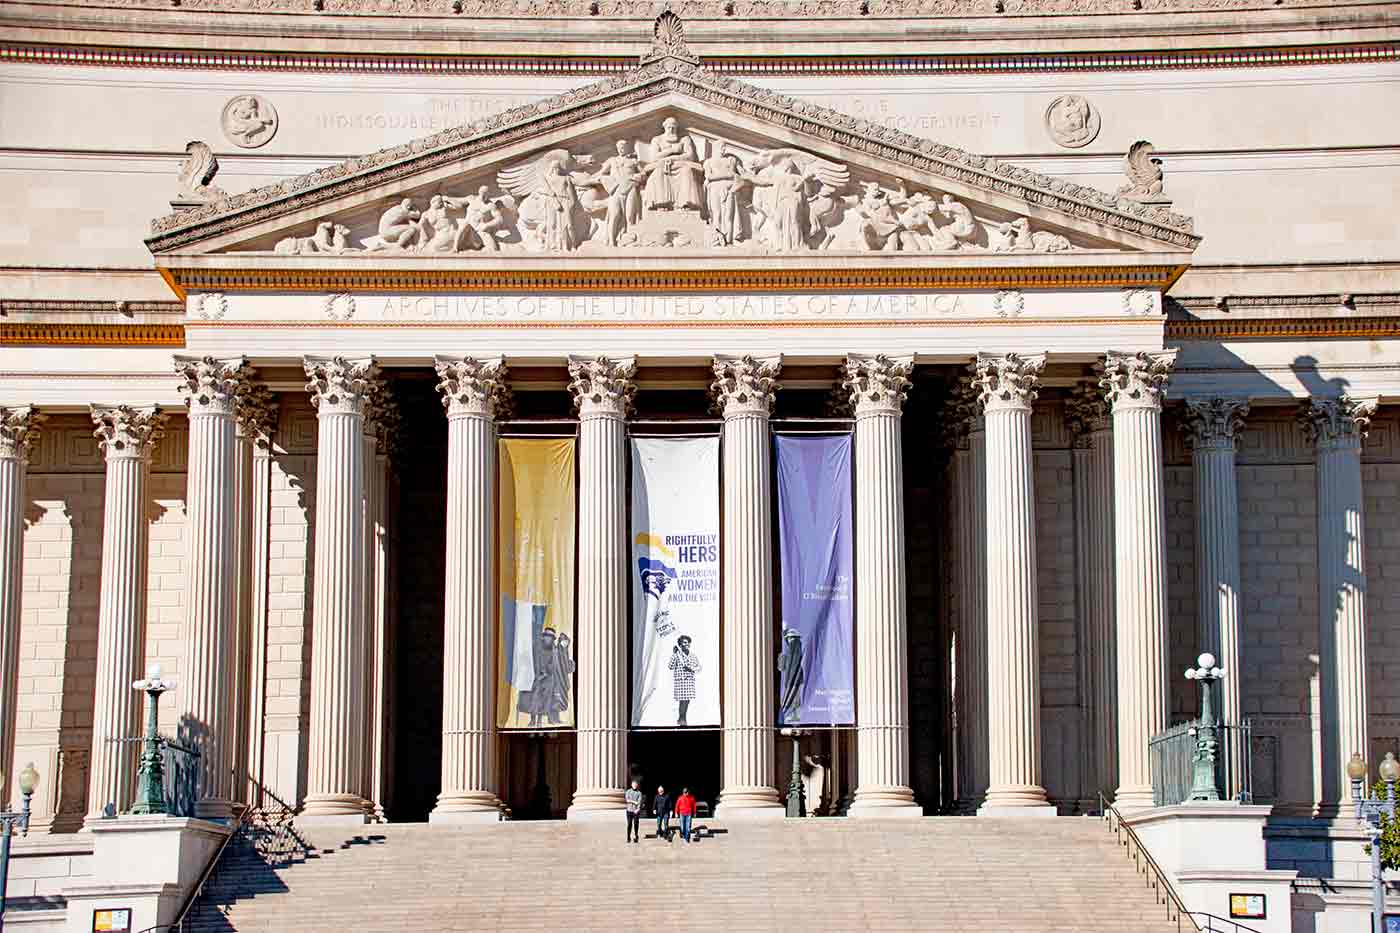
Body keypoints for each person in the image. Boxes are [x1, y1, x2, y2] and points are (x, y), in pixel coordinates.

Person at [668, 634, 701, 726]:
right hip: (680, 681)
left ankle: (683, 718)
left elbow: (698, 668)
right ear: (680, 644)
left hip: (689, 682)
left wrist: (690, 668)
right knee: (682, 700)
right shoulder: (677, 655)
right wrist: (674, 654)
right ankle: (682, 719)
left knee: (686, 701)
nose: (686, 644)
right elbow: (670, 666)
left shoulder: (692, 656)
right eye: (684, 642)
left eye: (688, 642)